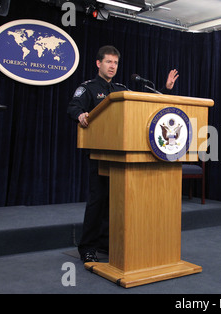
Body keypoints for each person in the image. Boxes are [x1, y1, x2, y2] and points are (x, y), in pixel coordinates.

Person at [67, 45, 179, 263]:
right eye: (108, 62)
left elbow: (142, 107)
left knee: (115, 202)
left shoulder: (121, 89)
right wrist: (80, 115)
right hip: (100, 153)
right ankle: (87, 247)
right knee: (97, 201)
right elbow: (73, 107)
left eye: (115, 63)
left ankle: (106, 242)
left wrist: (164, 90)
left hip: (121, 154)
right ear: (98, 64)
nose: (112, 66)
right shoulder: (88, 88)